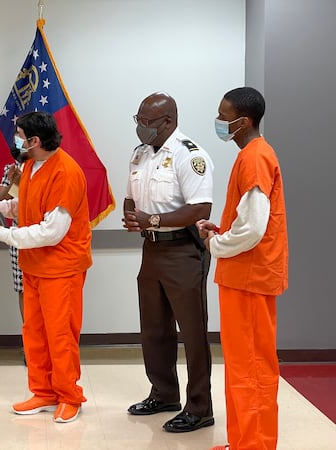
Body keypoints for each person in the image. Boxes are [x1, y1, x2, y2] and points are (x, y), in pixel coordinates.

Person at [0, 111, 92, 423]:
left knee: (60, 335)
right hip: (35, 267)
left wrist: (2, 234)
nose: (16, 141)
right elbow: (28, 204)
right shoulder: (30, 166)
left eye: (19, 135)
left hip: (61, 268)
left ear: (35, 140)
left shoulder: (66, 172)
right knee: (35, 332)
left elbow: (52, 230)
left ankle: (70, 396)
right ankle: (43, 391)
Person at [198, 87, 288, 450]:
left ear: (244, 121)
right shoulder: (253, 154)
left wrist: (216, 245)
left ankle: (254, 445)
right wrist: (220, 231)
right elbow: (247, 221)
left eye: (224, 117)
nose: (220, 123)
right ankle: (243, 441)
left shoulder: (255, 157)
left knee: (251, 367)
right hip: (245, 276)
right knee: (242, 366)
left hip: (250, 278)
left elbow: (253, 228)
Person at [122, 92, 215, 433]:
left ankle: (200, 407)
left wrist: (154, 221)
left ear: (168, 122)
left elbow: (200, 209)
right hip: (151, 251)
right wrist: (132, 217)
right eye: (138, 120)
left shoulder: (190, 156)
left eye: (146, 122)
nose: (140, 128)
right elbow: (131, 197)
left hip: (182, 252)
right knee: (154, 328)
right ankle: (163, 393)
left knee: (192, 332)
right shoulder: (139, 154)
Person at [0, 147, 28, 324]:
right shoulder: (12, 168)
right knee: (23, 289)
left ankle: (45, 341)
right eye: (17, 135)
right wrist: (14, 182)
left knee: (43, 290)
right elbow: (0, 201)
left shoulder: (45, 167)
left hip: (41, 233)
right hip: (18, 233)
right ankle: (29, 339)